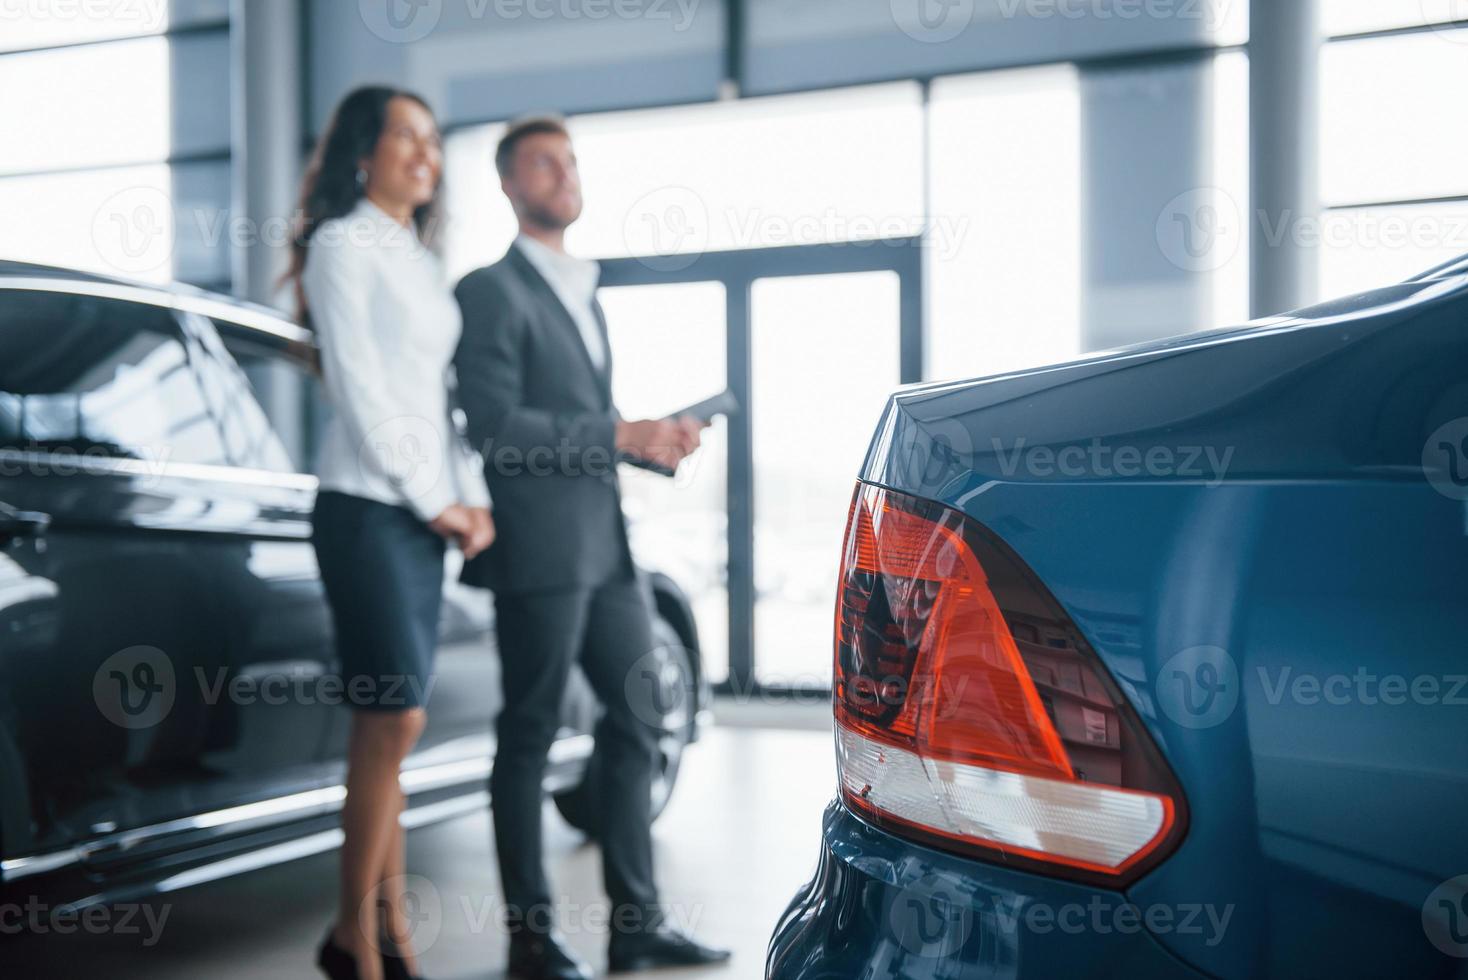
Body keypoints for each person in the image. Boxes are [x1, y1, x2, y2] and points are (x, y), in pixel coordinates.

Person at [453, 116, 730, 979]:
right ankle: (531, 941)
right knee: (529, 734)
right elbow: (499, 428)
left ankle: (635, 923)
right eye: (543, 163)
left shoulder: (584, 292)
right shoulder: (490, 291)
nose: (563, 174)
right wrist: (622, 431)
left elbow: (580, 431)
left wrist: (648, 442)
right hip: (538, 552)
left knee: (643, 712)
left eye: (570, 163)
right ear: (507, 184)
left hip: (606, 549)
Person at [286, 85, 495, 980]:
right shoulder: (340, 244)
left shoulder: (416, 255)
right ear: (362, 153)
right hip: (367, 508)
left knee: (392, 732)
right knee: (393, 715)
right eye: (405, 136)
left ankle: (389, 932)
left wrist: (472, 493)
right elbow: (362, 387)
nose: (425, 153)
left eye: (433, 139)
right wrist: (429, 496)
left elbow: (435, 401)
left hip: (422, 516)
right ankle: (347, 938)